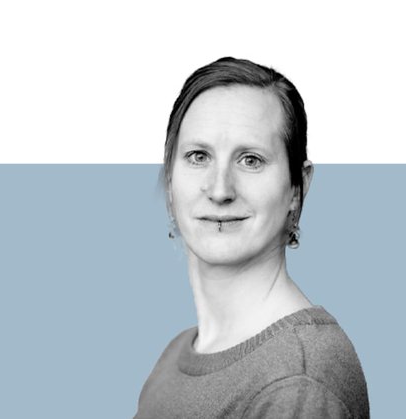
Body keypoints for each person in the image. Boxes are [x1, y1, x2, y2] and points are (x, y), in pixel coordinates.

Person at [135, 57, 369, 418]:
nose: (220, 190)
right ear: (169, 180)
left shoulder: (298, 381)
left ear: (297, 188)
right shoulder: (176, 353)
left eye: (251, 160)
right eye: (198, 156)